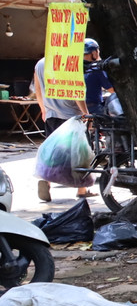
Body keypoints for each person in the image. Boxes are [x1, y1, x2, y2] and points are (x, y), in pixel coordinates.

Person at [33, 52, 90, 202]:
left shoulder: (40, 63)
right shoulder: (69, 61)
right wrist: (86, 113)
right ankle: (81, 190)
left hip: (51, 114)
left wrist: (43, 109)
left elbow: (37, 90)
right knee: (79, 153)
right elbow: (77, 91)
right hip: (71, 115)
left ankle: (46, 180)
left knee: (53, 152)